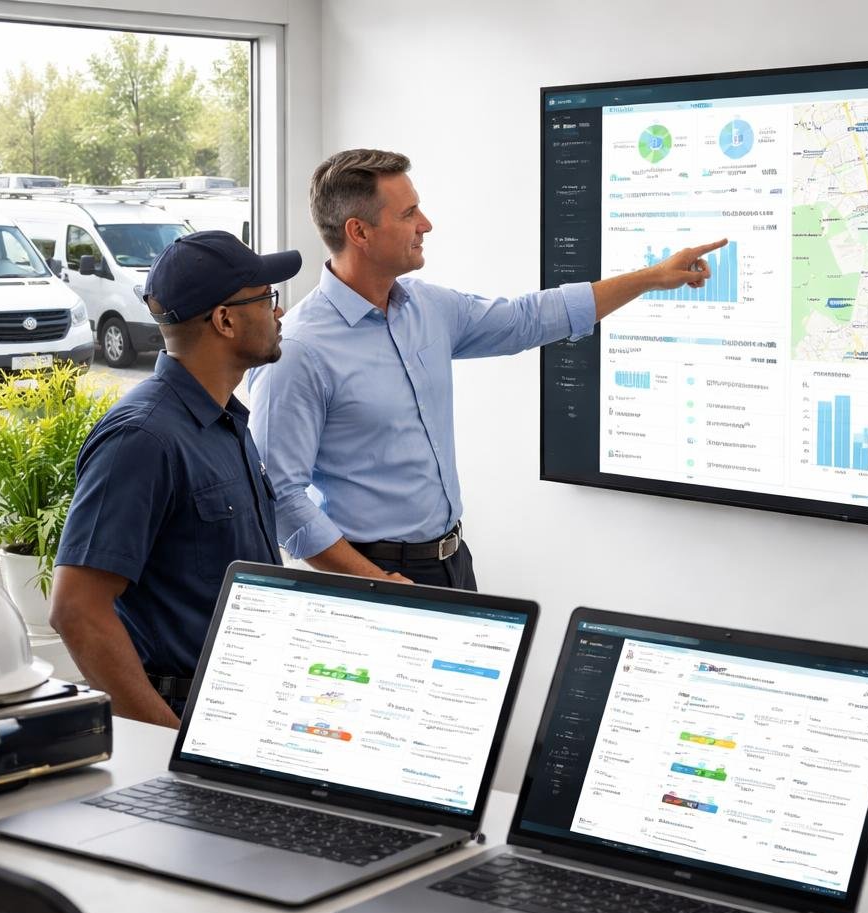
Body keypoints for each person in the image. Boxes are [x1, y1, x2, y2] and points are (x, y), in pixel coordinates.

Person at [247, 148, 725, 589]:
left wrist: (653, 277)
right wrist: (374, 582)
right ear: (359, 232)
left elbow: (526, 319)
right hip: (374, 573)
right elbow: (281, 498)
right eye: (409, 213)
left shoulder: (428, 307)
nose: (426, 224)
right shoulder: (299, 350)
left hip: (453, 562)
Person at [50, 231, 301, 727]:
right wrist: (169, 742)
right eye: (268, 298)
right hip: (186, 715)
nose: (279, 313)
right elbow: (76, 610)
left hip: (243, 708)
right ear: (225, 320)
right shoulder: (142, 439)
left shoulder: (225, 421)